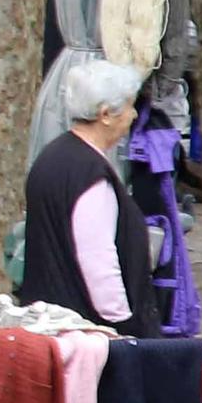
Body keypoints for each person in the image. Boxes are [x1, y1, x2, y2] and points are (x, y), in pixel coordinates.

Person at [25, 55, 163, 335]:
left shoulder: (51, 156)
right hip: (87, 334)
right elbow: (99, 263)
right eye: (128, 106)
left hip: (51, 322)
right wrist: (127, 327)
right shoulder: (90, 175)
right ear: (105, 115)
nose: (134, 115)